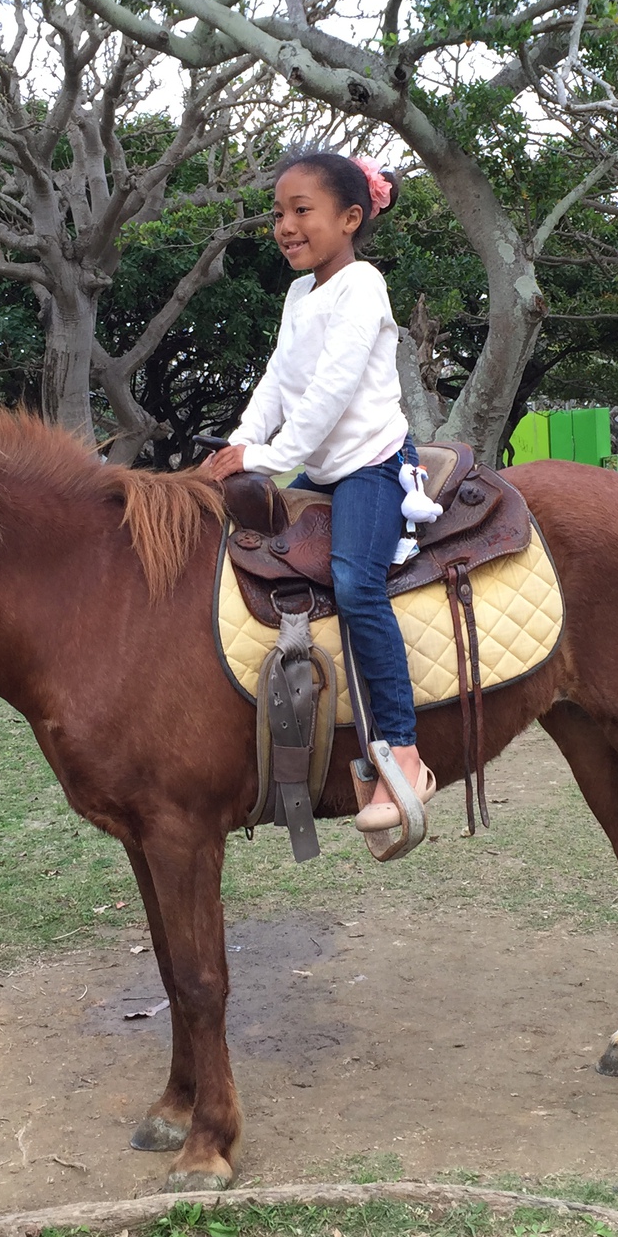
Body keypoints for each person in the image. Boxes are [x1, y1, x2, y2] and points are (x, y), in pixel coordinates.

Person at [201, 148, 430, 841]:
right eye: (278, 213)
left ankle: (404, 750)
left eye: (303, 211)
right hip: (320, 469)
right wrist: (238, 449)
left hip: (369, 465)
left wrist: (269, 459)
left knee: (356, 583)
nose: (286, 225)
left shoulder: (363, 286)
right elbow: (278, 381)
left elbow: (330, 394)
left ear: (351, 218)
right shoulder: (300, 295)